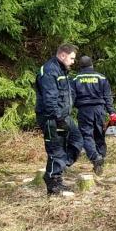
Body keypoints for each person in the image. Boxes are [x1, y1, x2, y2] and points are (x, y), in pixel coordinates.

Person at [34, 43, 85, 196]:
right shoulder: (49, 71)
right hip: (52, 118)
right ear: (63, 55)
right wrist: (58, 119)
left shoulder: (62, 70)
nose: (73, 62)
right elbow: (50, 99)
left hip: (63, 116)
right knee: (56, 149)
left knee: (77, 141)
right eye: (72, 58)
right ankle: (53, 183)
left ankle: (58, 167)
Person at [71, 56, 116, 176]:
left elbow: (71, 98)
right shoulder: (101, 77)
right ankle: (100, 159)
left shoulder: (75, 79)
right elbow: (107, 97)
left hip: (84, 110)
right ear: (92, 65)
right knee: (99, 134)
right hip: (99, 110)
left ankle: (96, 158)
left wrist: (67, 111)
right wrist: (112, 112)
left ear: (80, 66)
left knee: (86, 135)